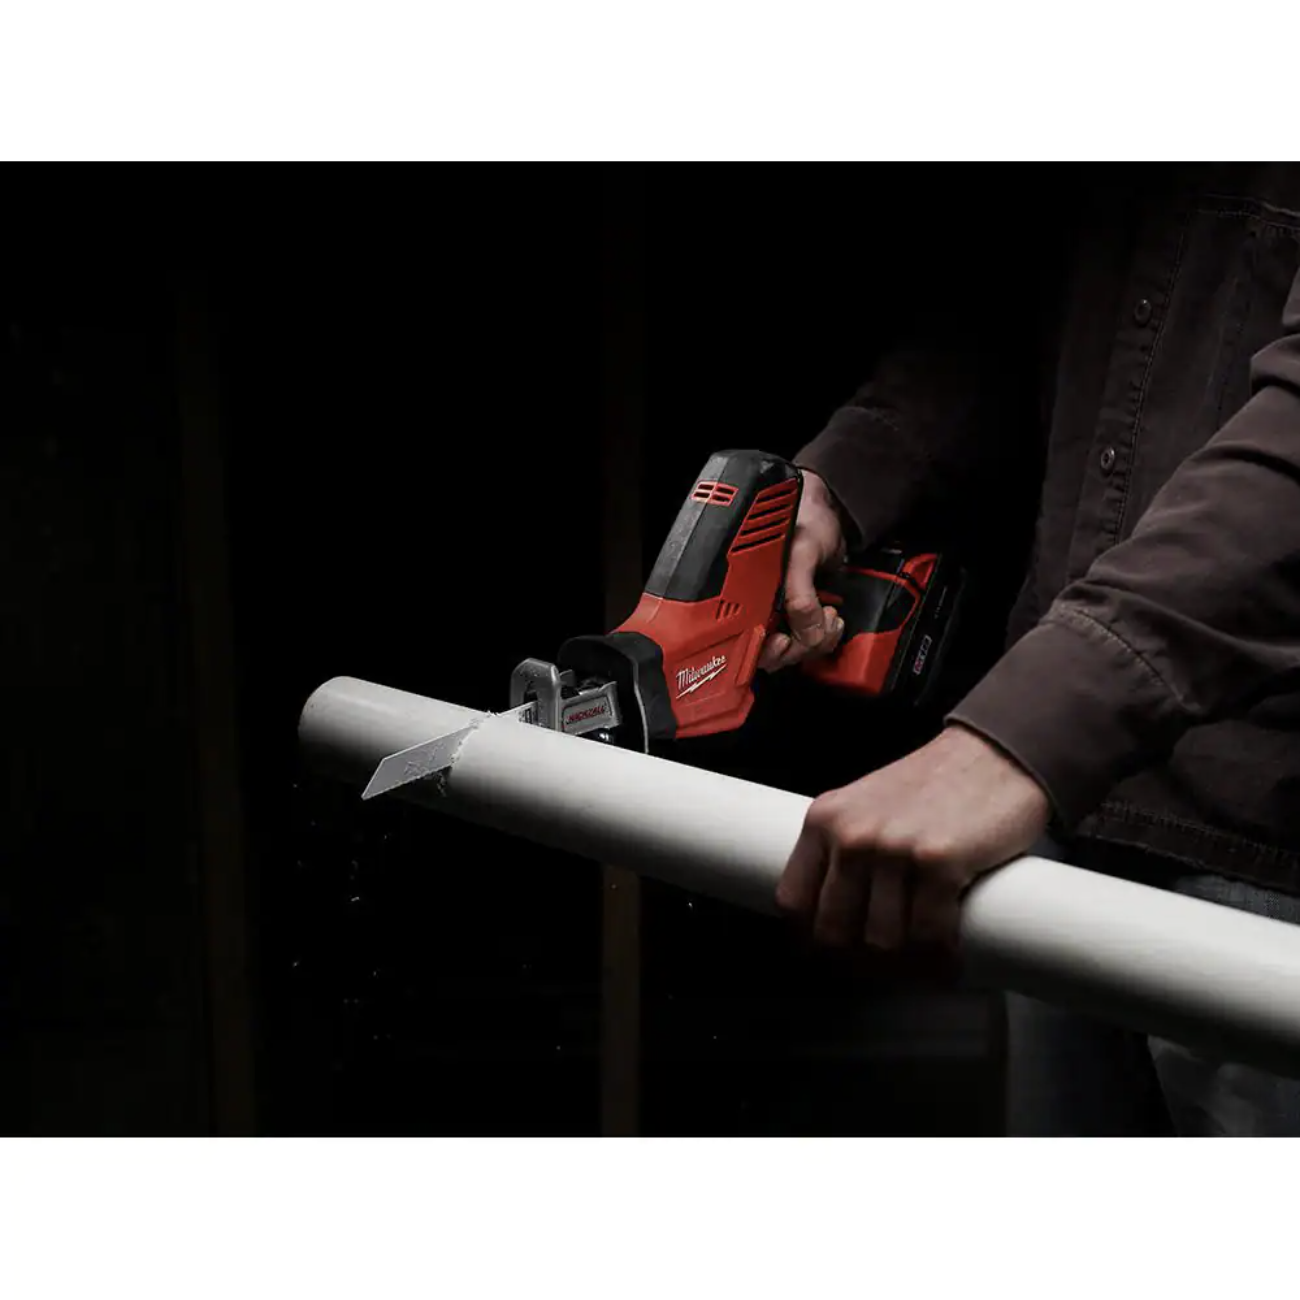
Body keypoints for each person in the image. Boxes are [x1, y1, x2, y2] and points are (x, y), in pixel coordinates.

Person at [760, 163, 1300, 1136]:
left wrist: (1024, 733)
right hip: (1056, 828)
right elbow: (1012, 306)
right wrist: (844, 477)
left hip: (1260, 840)